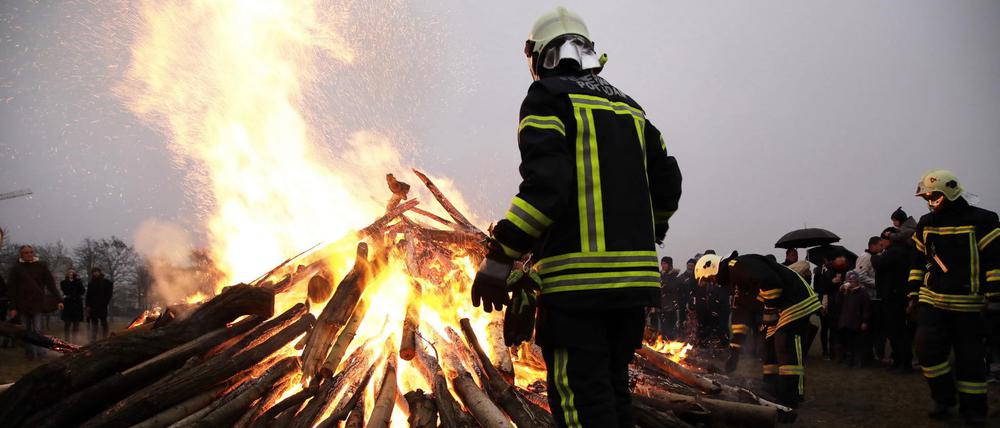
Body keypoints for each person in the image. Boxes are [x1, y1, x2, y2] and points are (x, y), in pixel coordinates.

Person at [469, 7, 682, 426]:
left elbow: (546, 188)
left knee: (580, 404)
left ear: (539, 56)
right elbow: (669, 180)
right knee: (612, 392)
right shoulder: (630, 107)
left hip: (576, 287)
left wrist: (500, 255)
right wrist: (652, 229)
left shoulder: (547, 98)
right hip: (634, 286)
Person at [908, 170, 998, 425]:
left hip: (970, 304)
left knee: (970, 360)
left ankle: (974, 410)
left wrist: (995, 297)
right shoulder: (926, 223)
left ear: (950, 191)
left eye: (934, 196)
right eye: (926, 196)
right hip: (932, 300)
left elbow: (994, 260)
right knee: (926, 350)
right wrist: (913, 293)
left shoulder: (983, 220)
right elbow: (918, 260)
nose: (929, 201)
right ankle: (943, 398)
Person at [698, 253, 821, 407]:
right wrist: (734, 352)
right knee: (768, 348)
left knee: (785, 346)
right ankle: (772, 388)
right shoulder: (734, 283)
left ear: (713, 267)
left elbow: (771, 281)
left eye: (710, 278)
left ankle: (792, 397)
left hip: (795, 300)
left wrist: (769, 310)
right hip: (779, 308)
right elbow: (740, 317)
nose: (713, 283)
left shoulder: (739, 265)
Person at [6, 245, 62, 359]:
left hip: (37, 302)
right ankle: (30, 353)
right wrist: (13, 307)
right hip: (22, 304)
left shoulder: (41, 266)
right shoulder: (16, 269)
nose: (29, 254)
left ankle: (40, 352)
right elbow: (12, 290)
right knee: (26, 332)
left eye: (31, 252)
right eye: (26, 253)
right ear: (21, 254)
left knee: (38, 330)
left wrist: (59, 300)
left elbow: (51, 284)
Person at [872, 226, 915, 373]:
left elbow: (879, 263)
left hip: (894, 296)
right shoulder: (902, 250)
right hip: (895, 294)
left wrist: (875, 255)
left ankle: (903, 363)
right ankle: (899, 361)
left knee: (897, 331)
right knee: (895, 331)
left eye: (884, 239)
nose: (882, 243)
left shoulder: (896, 251)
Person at [855, 236, 883, 362]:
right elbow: (860, 276)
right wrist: (878, 283)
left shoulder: (875, 257)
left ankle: (872, 354)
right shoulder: (866, 257)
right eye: (880, 245)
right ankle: (867, 355)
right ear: (873, 245)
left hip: (875, 297)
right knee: (868, 329)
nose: (882, 248)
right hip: (868, 298)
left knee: (875, 328)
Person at [838, 271, 871, 367]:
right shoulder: (846, 292)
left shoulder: (863, 292)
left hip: (857, 322)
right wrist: (841, 291)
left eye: (852, 280)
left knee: (858, 343)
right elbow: (838, 303)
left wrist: (865, 321)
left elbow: (866, 308)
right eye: (849, 280)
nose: (850, 282)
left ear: (857, 281)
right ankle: (849, 361)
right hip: (846, 322)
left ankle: (858, 361)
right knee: (848, 342)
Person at [658, 257, 684, 339]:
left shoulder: (675, 276)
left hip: (671, 306)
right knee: (663, 327)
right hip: (661, 305)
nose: (663, 265)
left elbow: (674, 288)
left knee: (671, 326)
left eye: (665, 263)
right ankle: (664, 342)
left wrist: (665, 285)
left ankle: (671, 342)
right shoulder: (660, 276)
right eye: (662, 263)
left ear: (669, 264)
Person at [86, 267, 113, 341]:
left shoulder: (106, 282)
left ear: (100, 272)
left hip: (102, 305)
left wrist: (105, 302)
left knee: (103, 321)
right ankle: (93, 338)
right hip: (93, 306)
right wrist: (88, 305)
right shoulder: (91, 283)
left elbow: (109, 294)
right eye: (94, 272)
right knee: (94, 322)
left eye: (97, 271)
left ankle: (105, 337)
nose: (95, 273)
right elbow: (88, 295)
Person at [60, 269, 85, 342]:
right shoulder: (63, 282)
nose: (71, 274)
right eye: (69, 272)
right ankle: (66, 340)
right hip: (68, 304)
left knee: (76, 324)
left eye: (72, 273)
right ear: (67, 274)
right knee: (67, 324)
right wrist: (71, 282)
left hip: (77, 305)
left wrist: (77, 282)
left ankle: (75, 340)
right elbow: (65, 290)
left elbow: (82, 291)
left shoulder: (78, 282)